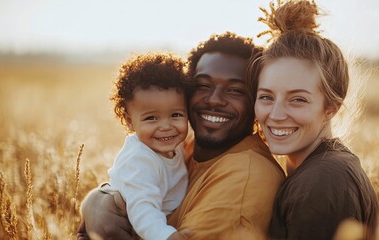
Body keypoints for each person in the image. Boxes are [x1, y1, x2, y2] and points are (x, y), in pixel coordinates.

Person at [77, 32, 286, 240]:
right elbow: (136, 183)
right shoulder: (180, 148)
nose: (214, 100)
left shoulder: (245, 177)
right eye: (203, 85)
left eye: (235, 90)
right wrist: (99, 199)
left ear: (257, 102)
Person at [247, 1, 379, 239]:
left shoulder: (322, 181)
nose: (275, 115)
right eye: (266, 96)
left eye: (297, 100)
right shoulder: (324, 167)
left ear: (331, 108)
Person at [80, 52, 192, 240]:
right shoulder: (139, 159)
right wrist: (168, 237)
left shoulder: (176, 147)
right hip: (124, 226)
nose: (165, 126)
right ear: (130, 122)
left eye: (176, 115)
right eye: (151, 118)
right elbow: (143, 210)